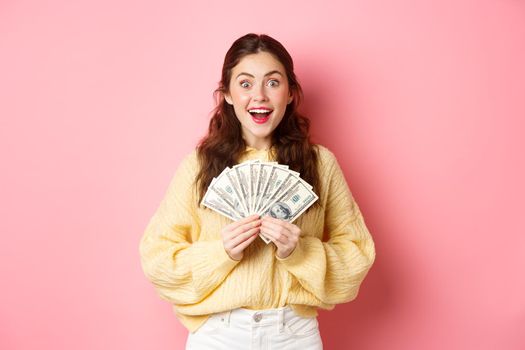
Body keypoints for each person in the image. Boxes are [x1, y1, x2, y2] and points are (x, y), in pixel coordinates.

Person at [139, 33, 376, 350]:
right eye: (246, 83)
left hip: (293, 334)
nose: (260, 96)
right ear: (227, 94)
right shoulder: (197, 166)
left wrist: (300, 251)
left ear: (290, 93)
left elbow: (356, 257)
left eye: (273, 83)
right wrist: (222, 253)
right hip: (218, 334)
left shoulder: (321, 165)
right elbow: (158, 260)